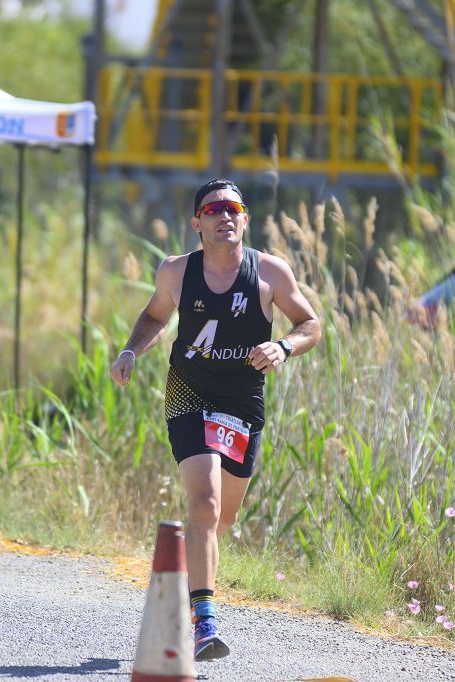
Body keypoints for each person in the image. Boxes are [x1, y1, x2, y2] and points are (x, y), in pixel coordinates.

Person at [110, 178, 322, 662]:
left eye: (233, 208)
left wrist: (284, 345)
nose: (224, 216)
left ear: (245, 220)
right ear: (197, 223)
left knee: (221, 519)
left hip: (243, 398)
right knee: (203, 504)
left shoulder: (270, 272)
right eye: (213, 209)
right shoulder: (177, 272)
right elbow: (155, 317)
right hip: (189, 390)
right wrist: (130, 350)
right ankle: (204, 624)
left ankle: (180, 576)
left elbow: (311, 324)